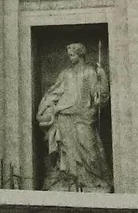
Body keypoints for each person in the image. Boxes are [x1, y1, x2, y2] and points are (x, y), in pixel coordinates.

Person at [36, 43, 111, 192]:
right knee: (66, 151)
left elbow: (99, 98)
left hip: (84, 116)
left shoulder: (90, 72)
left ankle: (93, 179)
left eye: (73, 54)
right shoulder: (65, 73)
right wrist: (45, 106)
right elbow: (53, 92)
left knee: (88, 146)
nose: (70, 57)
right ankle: (69, 180)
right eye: (69, 55)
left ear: (80, 54)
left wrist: (102, 78)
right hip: (64, 115)